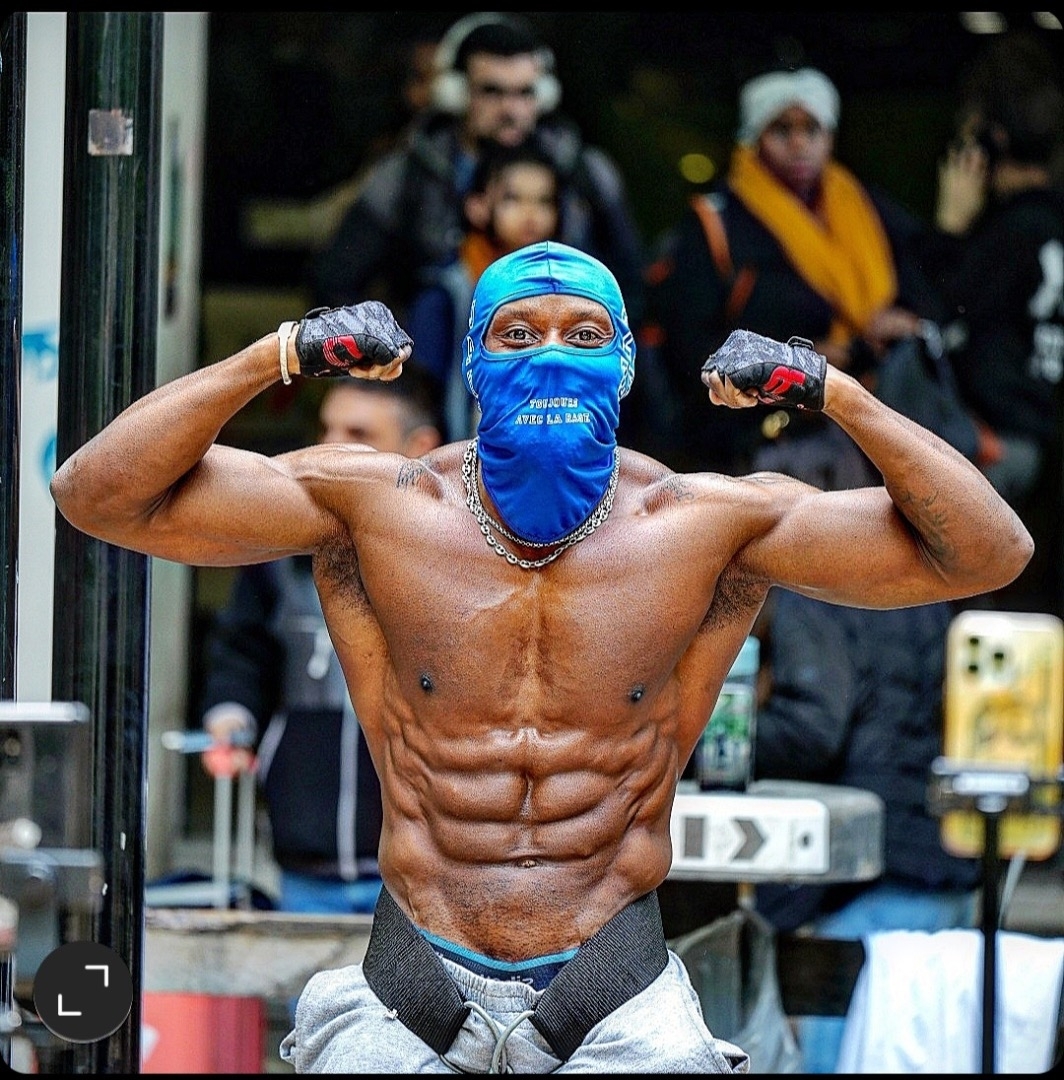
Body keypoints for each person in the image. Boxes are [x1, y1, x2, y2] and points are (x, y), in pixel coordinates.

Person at [50, 241, 1031, 1074]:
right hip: (408, 986)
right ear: (474, 364)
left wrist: (834, 391)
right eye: (517, 335)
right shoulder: (375, 507)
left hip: (615, 991)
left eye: (585, 336)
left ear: (625, 367)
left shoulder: (707, 525)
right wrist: (282, 354)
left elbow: (988, 553)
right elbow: (97, 495)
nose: (552, 356)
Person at [747, 436, 981, 1075]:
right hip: (942, 864)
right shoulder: (922, 588)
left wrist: (715, 745)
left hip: (868, 881)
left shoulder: (813, 586)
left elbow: (815, 727)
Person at [198, 371, 443, 918]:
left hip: (421, 874)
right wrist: (231, 713)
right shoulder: (279, 550)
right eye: (327, 428)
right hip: (301, 857)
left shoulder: (454, 562)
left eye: (358, 434)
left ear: (419, 448)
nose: (332, 447)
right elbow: (244, 650)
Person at [643, 64, 951, 476]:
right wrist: (791, 364)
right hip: (764, 440)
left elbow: (928, 283)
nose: (800, 144)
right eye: (782, 129)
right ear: (754, 137)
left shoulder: (860, 205)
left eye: (812, 129)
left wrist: (896, 323)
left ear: (831, 136)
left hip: (871, 416)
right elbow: (690, 349)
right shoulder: (718, 223)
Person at [309, 13, 646, 332]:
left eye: (525, 92)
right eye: (492, 91)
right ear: (455, 94)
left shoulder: (584, 172)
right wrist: (401, 349)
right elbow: (334, 280)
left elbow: (630, 286)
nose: (511, 110)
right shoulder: (404, 176)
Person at [920, 30, 1064, 620]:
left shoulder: (1008, 232)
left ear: (992, 138)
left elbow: (937, 317)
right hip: (1037, 442)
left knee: (944, 599)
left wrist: (949, 228)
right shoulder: (1049, 223)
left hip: (990, 443)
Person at [405, 139, 564, 441]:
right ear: (476, 206)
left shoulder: (566, 291)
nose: (531, 214)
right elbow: (422, 397)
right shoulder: (447, 292)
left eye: (545, 201)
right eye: (513, 199)